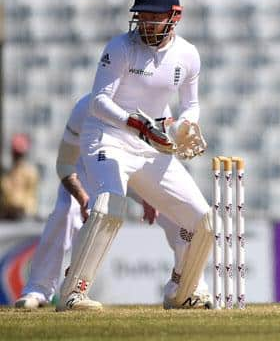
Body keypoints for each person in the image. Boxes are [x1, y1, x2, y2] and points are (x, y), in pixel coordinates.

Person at [57, 0, 208, 311]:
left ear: (174, 17)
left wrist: (183, 126)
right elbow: (98, 102)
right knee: (109, 204)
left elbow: (191, 106)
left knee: (202, 220)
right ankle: (72, 293)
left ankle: (183, 291)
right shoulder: (120, 47)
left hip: (150, 145)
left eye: (154, 18)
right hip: (108, 136)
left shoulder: (188, 55)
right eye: (142, 17)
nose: (146, 24)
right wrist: (137, 124)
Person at [14, 94, 210, 310]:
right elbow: (64, 164)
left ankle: (187, 287)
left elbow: (158, 166)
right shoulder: (86, 107)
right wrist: (81, 196)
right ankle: (38, 289)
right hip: (89, 169)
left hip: (137, 170)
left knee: (182, 213)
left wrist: (149, 196)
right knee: (66, 211)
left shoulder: (160, 110)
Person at [0, 133, 39, 220]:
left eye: (20, 155)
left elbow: (30, 199)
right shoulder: (7, 174)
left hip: (25, 217)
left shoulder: (30, 173)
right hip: (7, 217)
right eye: (16, 155)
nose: (18, 158)